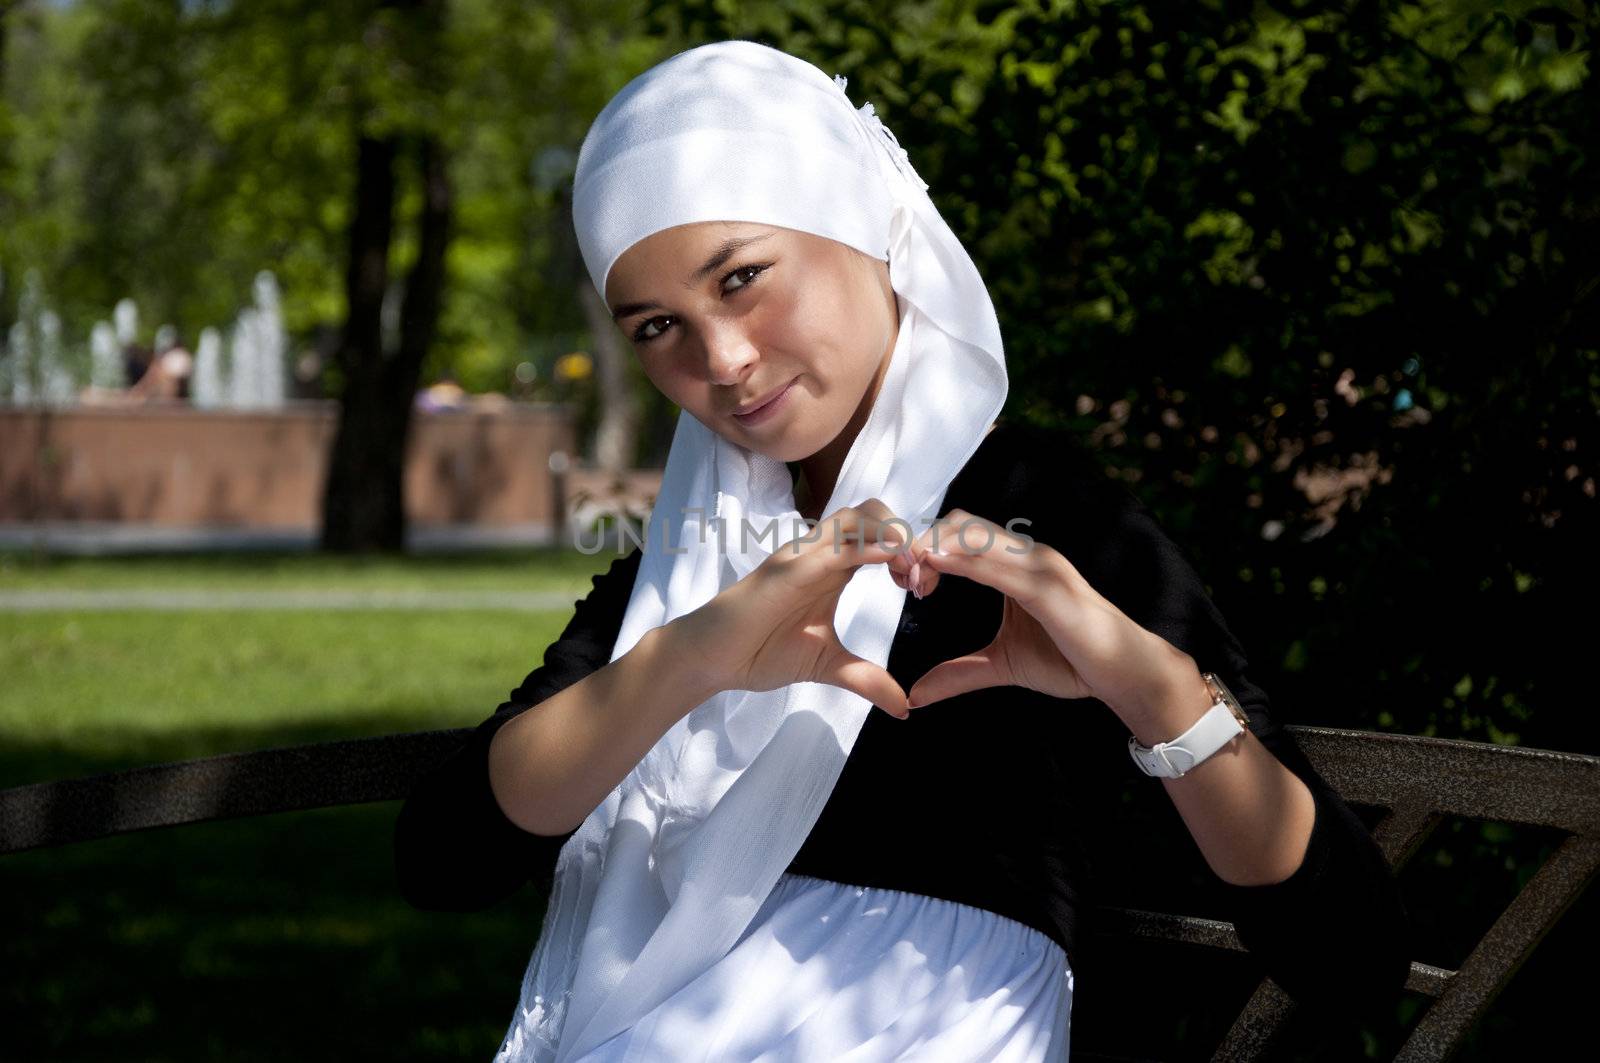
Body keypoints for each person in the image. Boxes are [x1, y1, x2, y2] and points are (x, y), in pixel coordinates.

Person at [394, 40, 1414, 1062]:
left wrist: (1156, 692)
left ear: (867, 225)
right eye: (658, 325)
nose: (723, 359)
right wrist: (685, 663)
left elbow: (1353, 958)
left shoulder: (1040, 530)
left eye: (743, 277)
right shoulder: (691, 568)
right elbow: (443, 855)